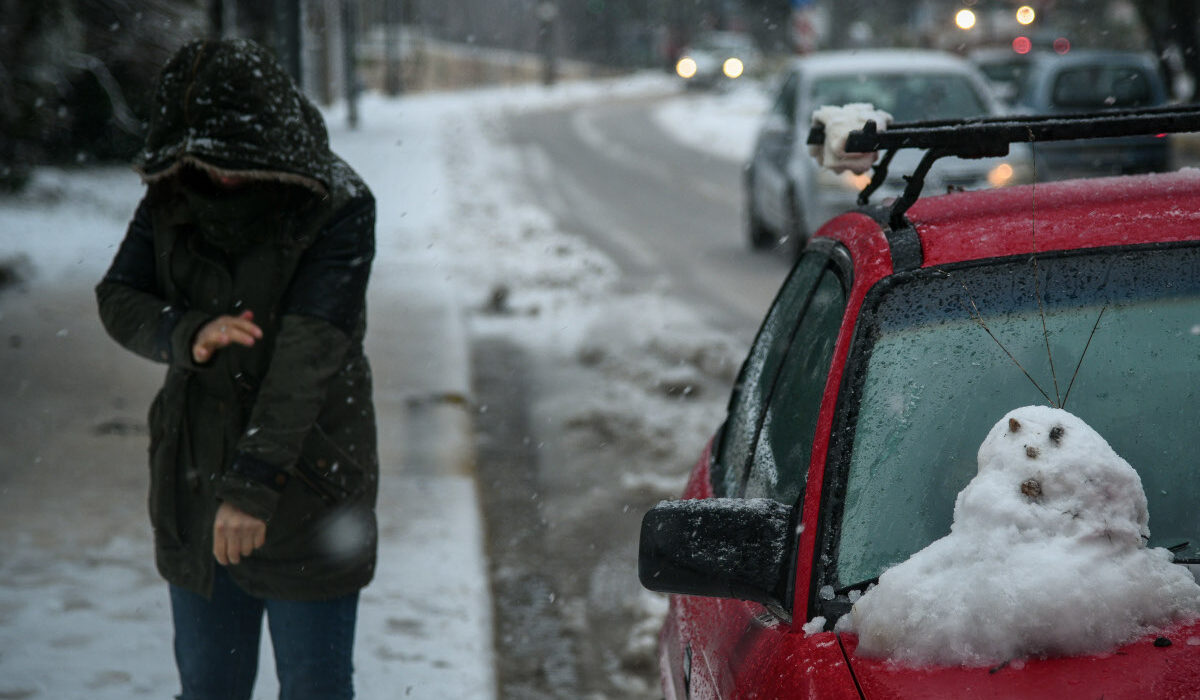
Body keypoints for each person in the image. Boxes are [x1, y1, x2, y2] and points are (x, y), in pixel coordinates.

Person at [95, 38, 377, 700]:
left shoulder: (336, 205)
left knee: (314, 687)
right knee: (209, 688)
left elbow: (308, 357)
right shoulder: (171, 195)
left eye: (230, 162)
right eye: (200, 161)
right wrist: (183, 331)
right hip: (193, 479)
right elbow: (119, 297)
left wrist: (252, 486)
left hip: (309, 486)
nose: (217, 177)